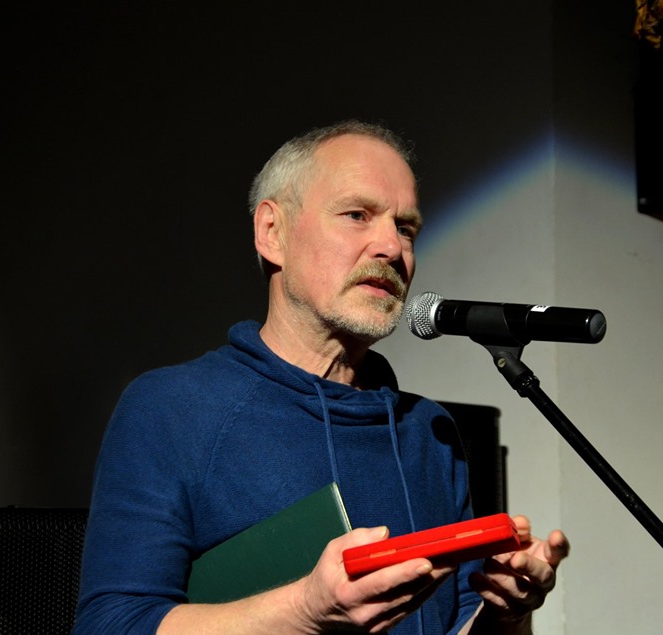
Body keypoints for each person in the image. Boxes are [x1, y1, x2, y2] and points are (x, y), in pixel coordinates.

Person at [73, 120, 569, 634]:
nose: (391, 247)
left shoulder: (430, 431)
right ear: (273, 233)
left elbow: (459, 623)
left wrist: (506, 614)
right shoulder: (171, 408)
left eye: (406, 228)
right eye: (357, 215)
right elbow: (111, 625)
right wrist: (306, 610)